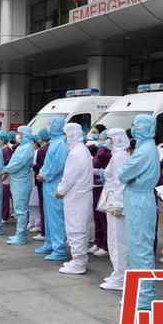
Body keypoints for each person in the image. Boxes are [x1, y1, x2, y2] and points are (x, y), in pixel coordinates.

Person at [118, 114, 161, 310]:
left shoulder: (144, 150)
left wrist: (128, 177)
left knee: (141, 249)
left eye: (135, 125)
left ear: (142, 128)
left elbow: (123, 174)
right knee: (137, 248)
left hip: (140, 200)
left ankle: (144, 297)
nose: (133, 128)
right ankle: (141, 291)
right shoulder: (147, 147)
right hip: (137, 199)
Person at [55, 123, 94, 274]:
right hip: (80, 196)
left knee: (76, 230)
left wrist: (60, 190)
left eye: (66, 135)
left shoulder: (76, 153)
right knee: (79, 229)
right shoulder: (82, 150)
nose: (65, 138)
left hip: (76, 197)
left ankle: (79, 263)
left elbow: (69, 177)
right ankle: (78, 260)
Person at [99, 128, 129, 290]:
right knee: (116, 239)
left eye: (109, 139)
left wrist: (118, 204)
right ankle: (118, 273)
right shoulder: (119, 155)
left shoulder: (118, 157)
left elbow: (120, 182)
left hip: (115, 204)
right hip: (113, 201)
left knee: (118, 241)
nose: (106, 142)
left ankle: (121, 277)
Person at [36, 117, 69, 260]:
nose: (48, 126)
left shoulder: (61, 144)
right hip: (48, 184)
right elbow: (48, 163)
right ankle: (49, 243)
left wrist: (45, 175)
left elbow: (58, 165)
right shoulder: (54, 142)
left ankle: (59, 248)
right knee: (49, 217)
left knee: (56, 218)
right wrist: (42, 172)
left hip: (55, 184)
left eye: (50, 124)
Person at [1, 125, 36, 245]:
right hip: (17, 180)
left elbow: (17, 163)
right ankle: (19, 234)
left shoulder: (27, 148)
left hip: (22, 182)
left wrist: (5, 170)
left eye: (20, 133)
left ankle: (21, 236)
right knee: (18, 209)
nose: (18, 136)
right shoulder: (22, 147)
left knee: (21, 210)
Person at [90, 128, 110, 256]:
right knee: (97, 217)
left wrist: (102, 147)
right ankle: (98, 241)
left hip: (103, 186)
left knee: (103, 218)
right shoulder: (99, 149)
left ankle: (105, 244)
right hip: (95, 186)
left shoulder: (108, 152)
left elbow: (100, 159)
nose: (100, 141)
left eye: (103, 139)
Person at [32, 128, 50, 240]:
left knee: (43, 208)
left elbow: (39, 167)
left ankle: (44, 232)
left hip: (42, 181)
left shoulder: (42, 151)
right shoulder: (50, 148)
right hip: (49, 182)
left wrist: (32, 166)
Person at [0, 132, 14, 223]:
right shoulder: (3, 150)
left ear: (2, 140)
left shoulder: (7, 151)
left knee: (5, 198)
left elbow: (8, 165)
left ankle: (5, 216)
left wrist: (4, 175)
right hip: (3, 176)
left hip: (6, 178)